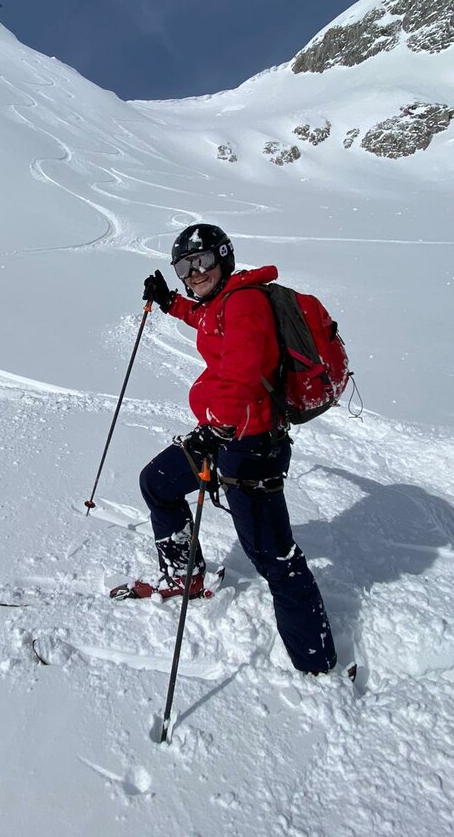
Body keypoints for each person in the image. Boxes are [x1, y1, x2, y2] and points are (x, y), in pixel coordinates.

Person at [123, 223, 337, 675]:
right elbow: (206, 319)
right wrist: (170, 304)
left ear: (224, 257)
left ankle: (317, 662)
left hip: (250, 446)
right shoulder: (223, 301)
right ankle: (185, 577)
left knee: (275, 560)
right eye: (184, 266)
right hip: (224, 435)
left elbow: (242, 371)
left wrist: (214, 429)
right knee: (158, 483)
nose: (193, 273)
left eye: (201, 261)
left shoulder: (245, 303)